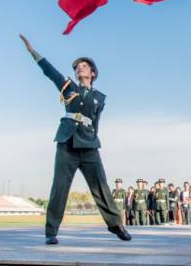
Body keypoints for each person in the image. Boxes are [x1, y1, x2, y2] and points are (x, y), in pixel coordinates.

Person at [19, 34, 131, 245]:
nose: (79, 68)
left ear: (93, 72)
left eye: (84, 65)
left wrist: (93, 139)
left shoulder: (100, 98)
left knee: (101, 186)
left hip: (89, 145)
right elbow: (50, 72)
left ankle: (116, 225)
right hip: (67, 142)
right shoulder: (68, 86)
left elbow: (96, 124)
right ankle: (51, 231)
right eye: (77, 66)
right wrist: (32, 52)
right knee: (59, 187)